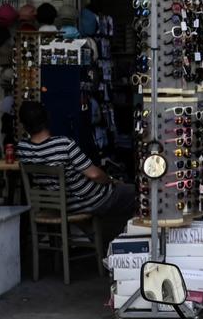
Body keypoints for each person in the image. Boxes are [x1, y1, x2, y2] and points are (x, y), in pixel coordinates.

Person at [16, 101, 135, 242]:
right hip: (91, 199)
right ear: (47, 119)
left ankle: (102, 240)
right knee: (140, 194)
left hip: (64, 205)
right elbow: (95, 174)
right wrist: (111, 180)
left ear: (24, 125)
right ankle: (125, 244)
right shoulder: (63, 144)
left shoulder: (23, 149)